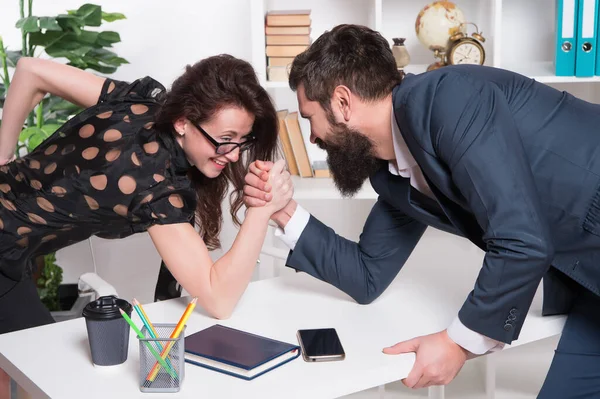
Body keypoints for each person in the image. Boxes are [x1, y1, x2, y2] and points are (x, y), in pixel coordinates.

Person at [243, 24, 600, 398]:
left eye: (308, 118)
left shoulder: (449, 99)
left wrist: (458, 343)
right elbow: (366, 274)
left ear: (343, 103)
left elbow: (521, 241)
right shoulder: (394, 173)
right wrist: (282, 211)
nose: (312, 137)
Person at [0, 55, 292, 397]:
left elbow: (30, 71)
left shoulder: (142, 104)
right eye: (225, 138)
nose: (232, 153)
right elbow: (219, 298)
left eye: (242, 139)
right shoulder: (154, 185)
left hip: (13, 250)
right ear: (184, 122)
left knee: (11, 368)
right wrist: (261, 209)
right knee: (45, 377)